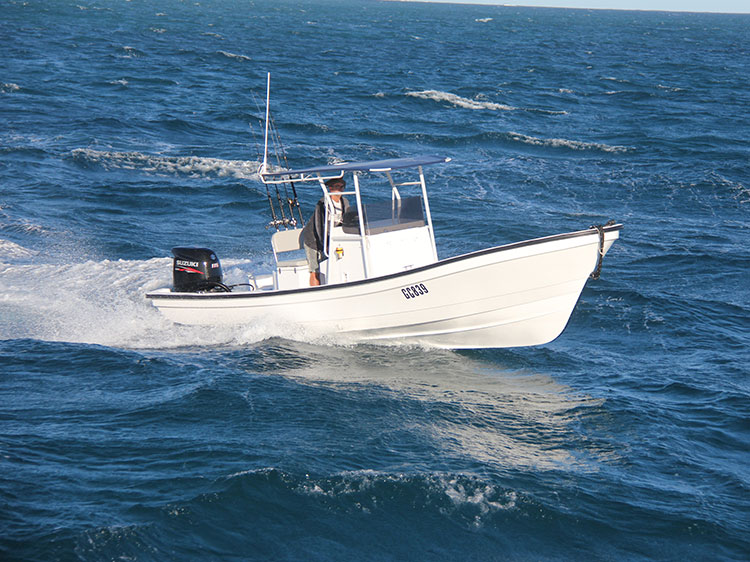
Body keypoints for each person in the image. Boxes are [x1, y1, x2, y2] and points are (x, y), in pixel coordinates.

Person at [302, 177, 350, 286]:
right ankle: (315, 292)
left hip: (331, 239)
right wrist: (326, 244)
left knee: (331, 266)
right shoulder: (323, 203)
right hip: (313, 240)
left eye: (342, 187)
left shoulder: (345, 202)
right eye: (337, 187)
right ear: (330, 188)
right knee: (315, 270)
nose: (340, 189)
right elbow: (319, 225)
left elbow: (346, 221)